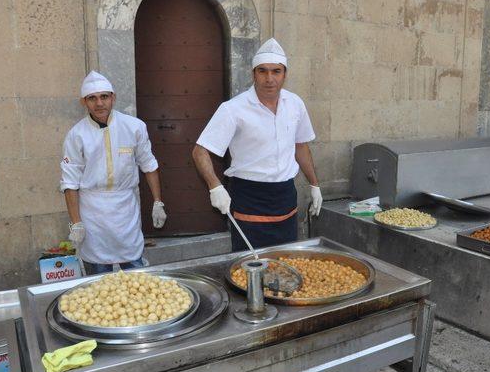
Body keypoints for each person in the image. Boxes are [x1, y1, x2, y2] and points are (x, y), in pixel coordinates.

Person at [192, 38, 322, 251]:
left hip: (285, 195)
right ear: (253, 74)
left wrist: (315, 184)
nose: (269, 78)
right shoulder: (233, 109)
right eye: (262, 71)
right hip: (250, 196)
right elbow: (200, 152)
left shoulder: (295, 104)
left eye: (276, 71)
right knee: (248, 265)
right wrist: (215, 186)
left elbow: (301, 146)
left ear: (285, 74)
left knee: (286, 258)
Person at [60, 71, 167, 274]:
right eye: (92, 98)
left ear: (113, 98)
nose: (99, 103)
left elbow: (149, 165)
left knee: (135, 271)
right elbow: (69, 182)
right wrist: (76, 223)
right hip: (92, 214)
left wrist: (157, 202)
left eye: (104, 97)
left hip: (125, 210)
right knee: (99, 276)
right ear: (84, 102)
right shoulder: (76, 135)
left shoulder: (135, 127)